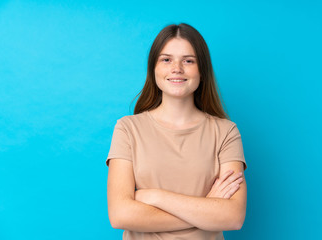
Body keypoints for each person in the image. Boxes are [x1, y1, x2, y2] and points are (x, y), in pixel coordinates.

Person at [105, 23, 247, 240]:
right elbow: (120, 215)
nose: (177, 68)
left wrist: (153, 196)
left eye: (188, 61)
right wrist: (207, 208)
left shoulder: (226, 132)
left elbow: (232, 217)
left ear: (202, 70)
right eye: (166, 59)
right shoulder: (128, 129)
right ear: (154, 68)